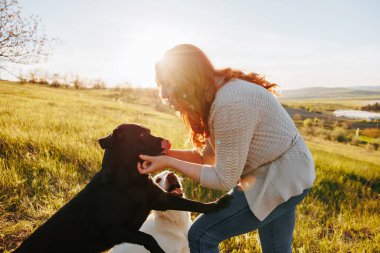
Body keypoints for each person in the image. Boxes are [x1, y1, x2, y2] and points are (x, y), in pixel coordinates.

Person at [137, 44, 316, 253]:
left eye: (168, 84)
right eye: (161, 85)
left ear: (188, 78)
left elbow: (223, 178)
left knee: (201, 236)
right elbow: (206, 158)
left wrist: (168, 162)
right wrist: (166, 154)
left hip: (279, 178)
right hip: (289, 175)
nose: (164, 94)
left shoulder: (229, 104)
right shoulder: (220, 95)